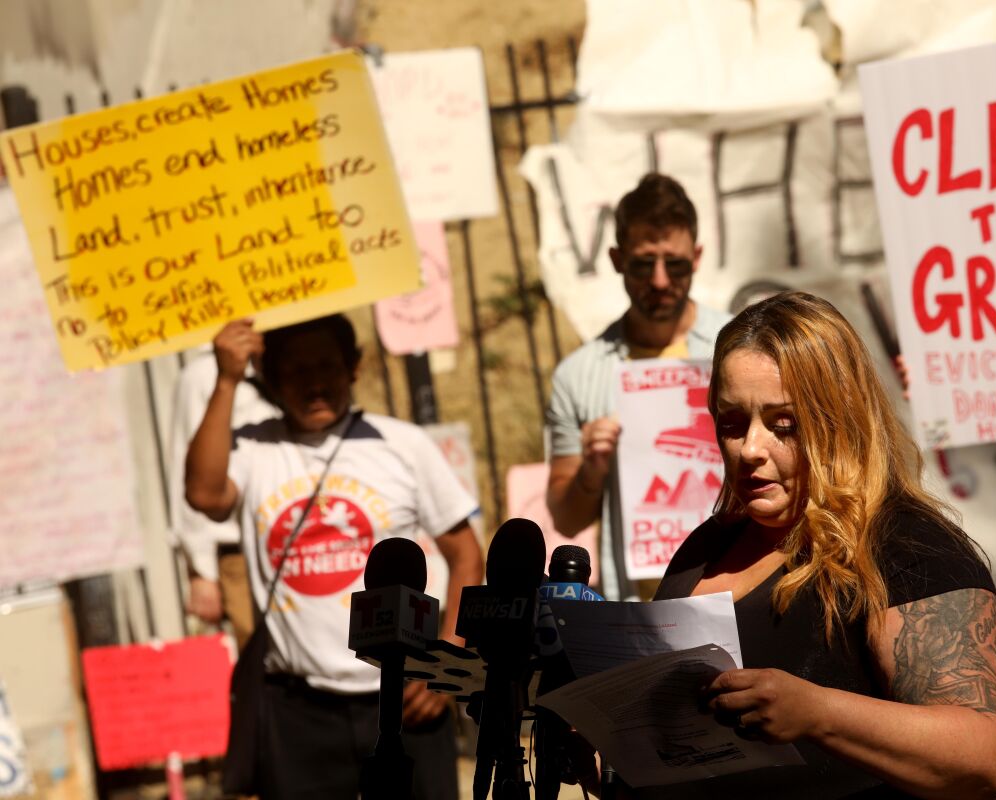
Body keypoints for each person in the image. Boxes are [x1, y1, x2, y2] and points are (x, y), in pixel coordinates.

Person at [654, 292, 996, 799]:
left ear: (838, 418)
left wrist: (816, 712)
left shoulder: (908, 548)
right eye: (732, 424)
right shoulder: (704, 547)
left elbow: (986, 758)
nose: (751, 449)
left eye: (784, 424)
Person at [186, 315, 484, 800]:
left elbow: (467, 556)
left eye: (327, 365)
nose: (315, 382)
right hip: (297, 711)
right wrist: (225, 379)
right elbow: (203, 493)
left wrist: (446, 668)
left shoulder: (402, 444)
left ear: (353, 368)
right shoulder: (254, 447)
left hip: (406, 699)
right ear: (271, 378)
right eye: (298, 370)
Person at [546, 172, 731, 600]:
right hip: (637, 612)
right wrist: (592, 471)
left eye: (676, 264)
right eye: (644, 264)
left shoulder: (740, 345)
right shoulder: (580, 374)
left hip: (738, 599)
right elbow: (566, 519)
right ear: (615, 259)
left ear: (698, 257)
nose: (661, 280)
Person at [170, 348, 277, 647]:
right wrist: (201, 569)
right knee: (264, 661)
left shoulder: (290, 356)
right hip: (240, 552)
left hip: (309, 542)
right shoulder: (202, 375)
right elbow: (187, 469)